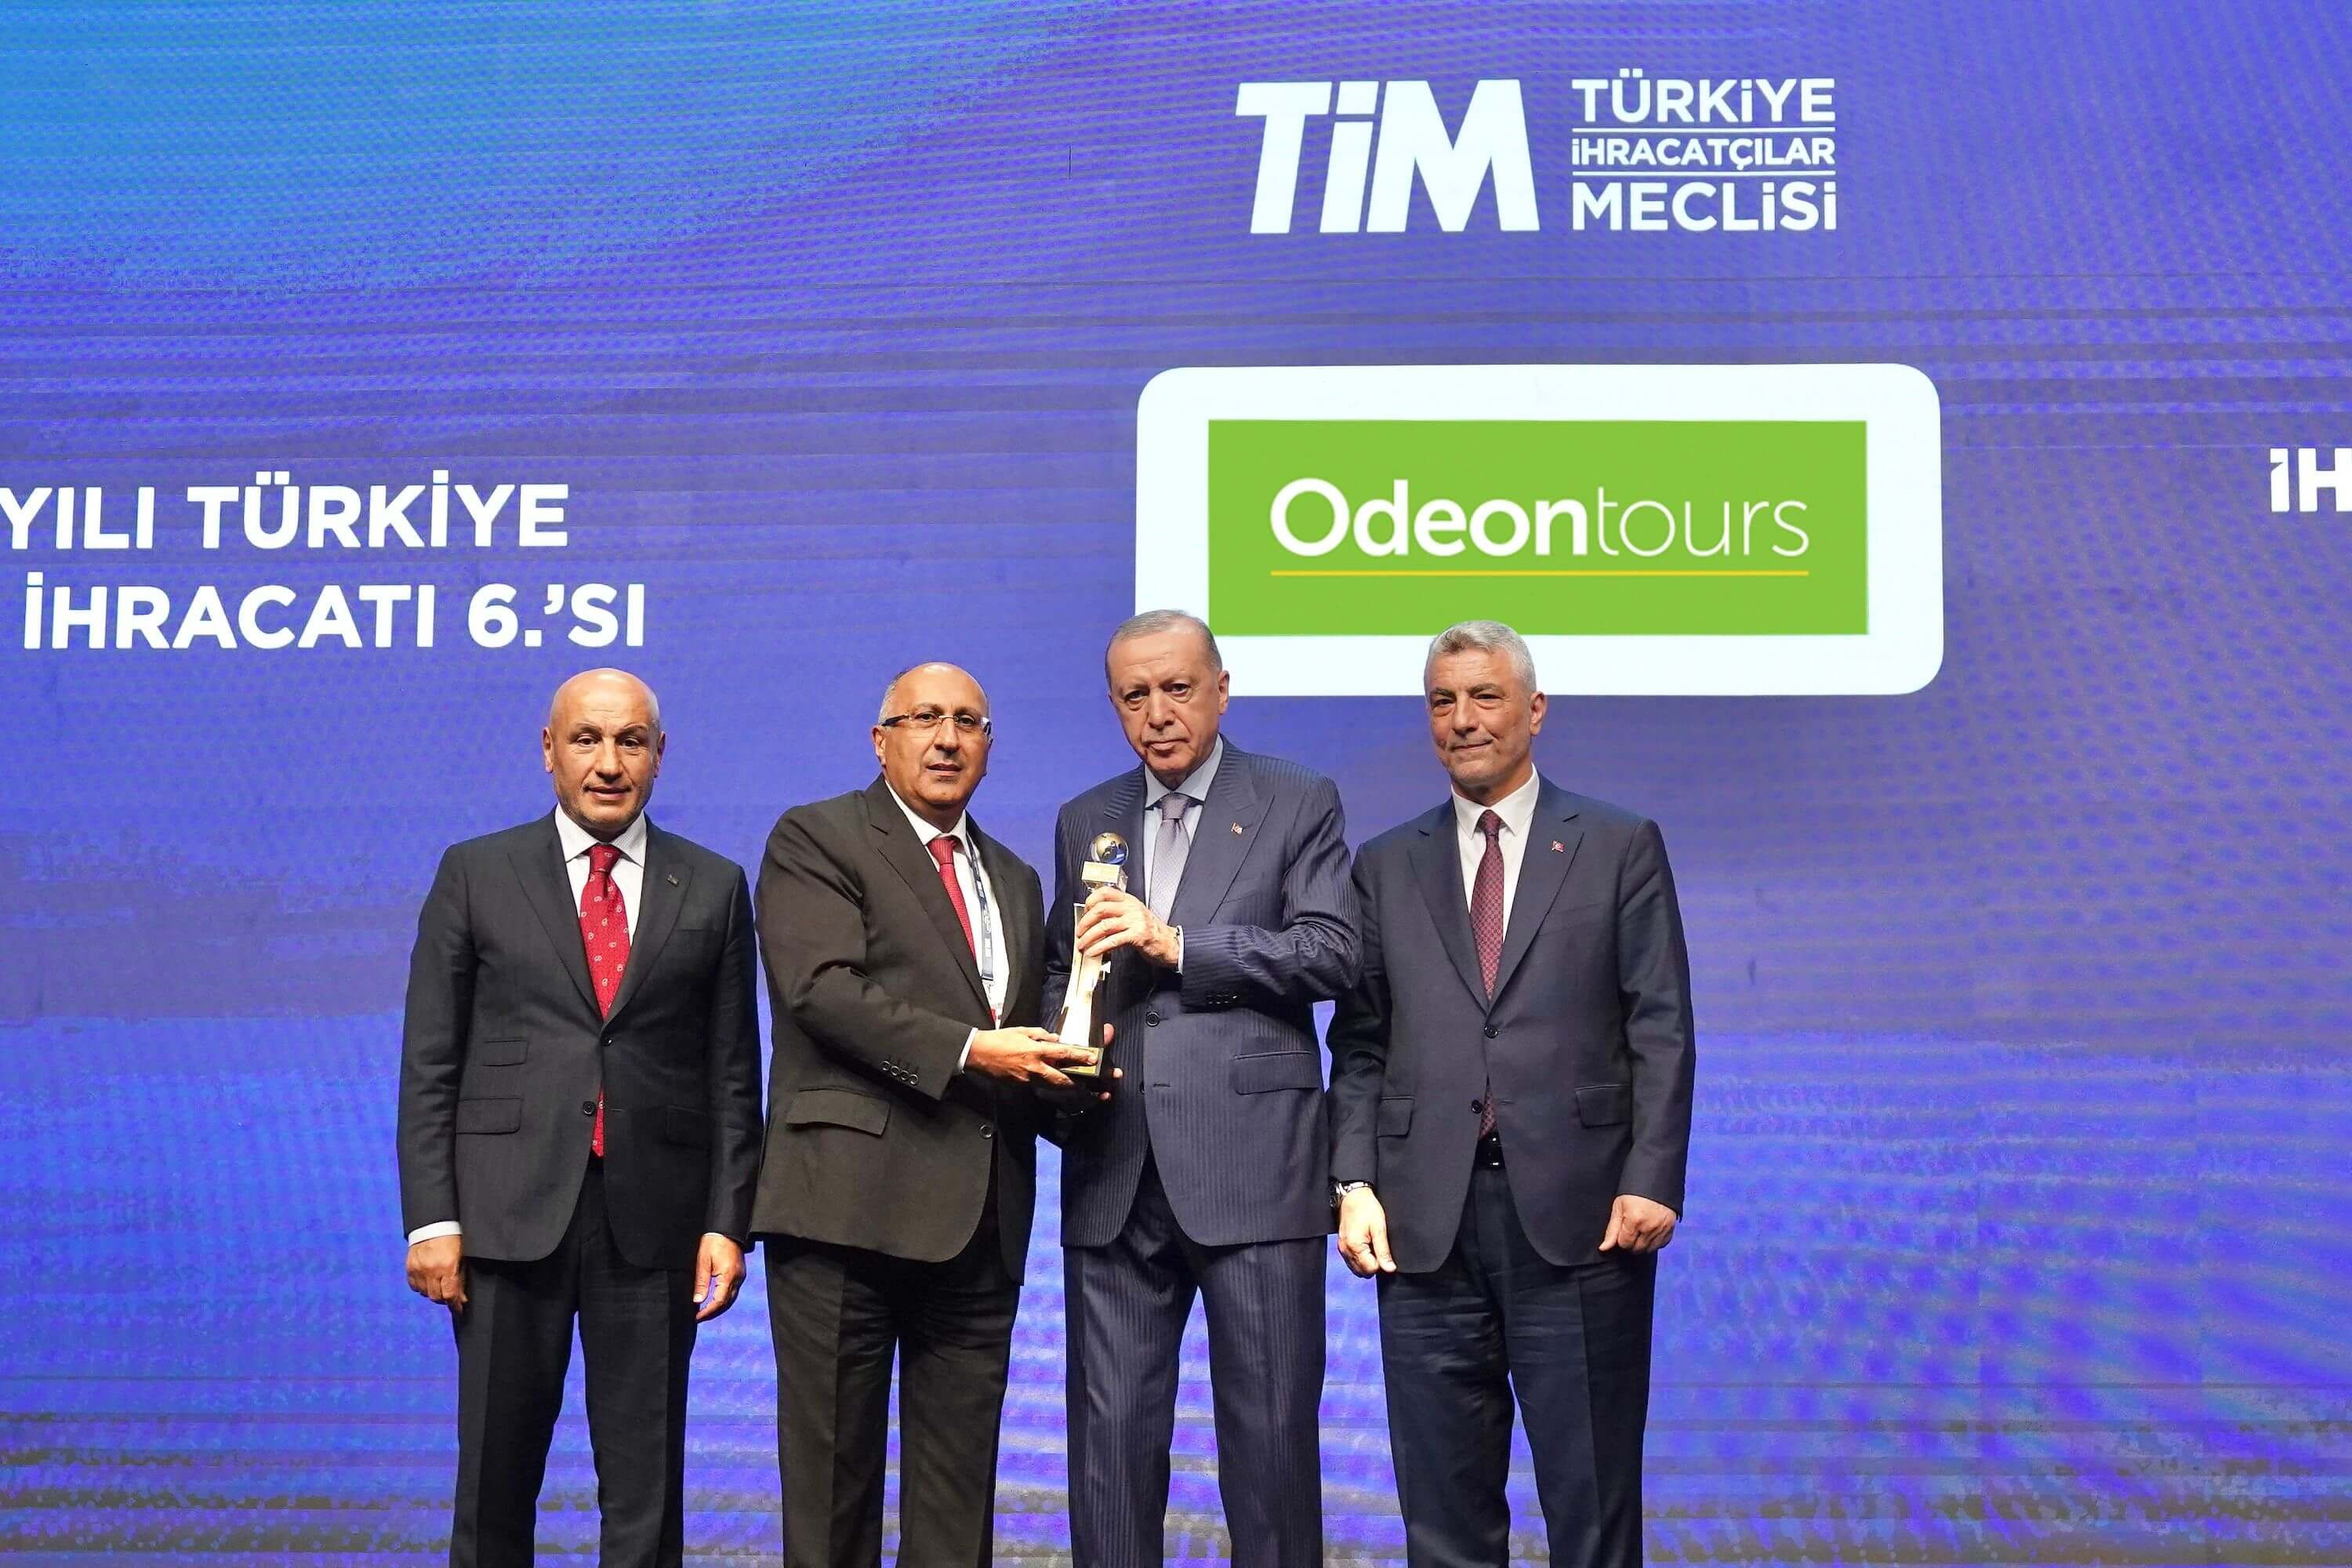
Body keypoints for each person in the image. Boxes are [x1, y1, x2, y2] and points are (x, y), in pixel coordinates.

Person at [1330, 620, 1696, 1568]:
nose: (1463, 719)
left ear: (1535, 710)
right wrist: (1353, 1181)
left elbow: (1660, 1024)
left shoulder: (1618, 843)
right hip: (1425, 1231)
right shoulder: (1384, 863)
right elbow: (1361, 1042)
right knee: (1443, 1522)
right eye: (1443, 701)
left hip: (1584, 1223)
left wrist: (1653, 1176)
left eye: (1485, 696)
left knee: (1593, 1512)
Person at [397, 668, 763, 1568]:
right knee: (494, 1482)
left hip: (654, 1222)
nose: (609, 762)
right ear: (549, 751)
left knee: (646, 1493)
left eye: (630, 741)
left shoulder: (713, 884)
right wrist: (433, 1219)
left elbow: (731, 1073)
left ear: (659, 754)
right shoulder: (476, 871)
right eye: (587, 739)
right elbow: (431, 1060)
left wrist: (728, 1221)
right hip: (503, 1218)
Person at [752, 662, 1095, 1568]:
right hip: (844, 1216)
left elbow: (1019, 1035)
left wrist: (1079, 1076)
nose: (947, 738)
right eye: (925, 718)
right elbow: (822, 990)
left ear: (989, 745)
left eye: (969, 721)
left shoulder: (1016, 877)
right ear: (882, 740)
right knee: (832, 1505)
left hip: (979, 1223)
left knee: (956, 1511)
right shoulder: (817, 836)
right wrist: (976, 1050)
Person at [1046, 609, 1359, 1567]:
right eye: (1134, 696)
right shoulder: (1086, 816)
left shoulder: (1297, 798)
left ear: (1222, 688)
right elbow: (1067, 971)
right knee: (1108, 1458)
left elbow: (1331, 949)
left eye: (1177, 688)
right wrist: (1063, 1044)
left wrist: (1178, 944)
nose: (1158, 713)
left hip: (1254, 1168)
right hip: (1115, 1168)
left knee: (1269, 1456)